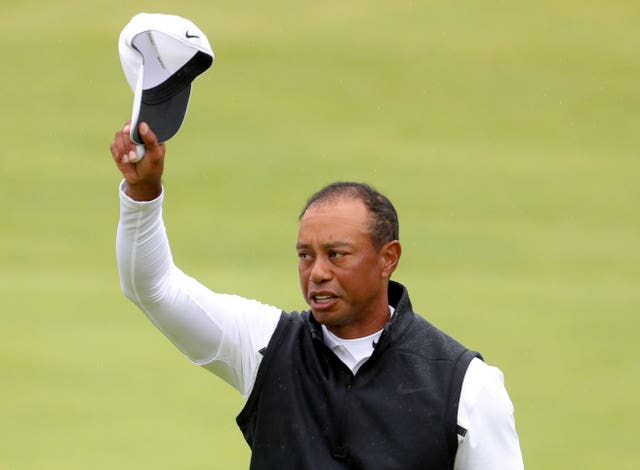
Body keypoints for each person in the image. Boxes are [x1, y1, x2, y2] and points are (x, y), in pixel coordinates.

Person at [110, 121, 524, 469]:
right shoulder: (263, 346)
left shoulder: (467, 386)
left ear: (388, 259)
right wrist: (143, 195)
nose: (317, 273)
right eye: (305, 256)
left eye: (337, 255)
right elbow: (153, 288)